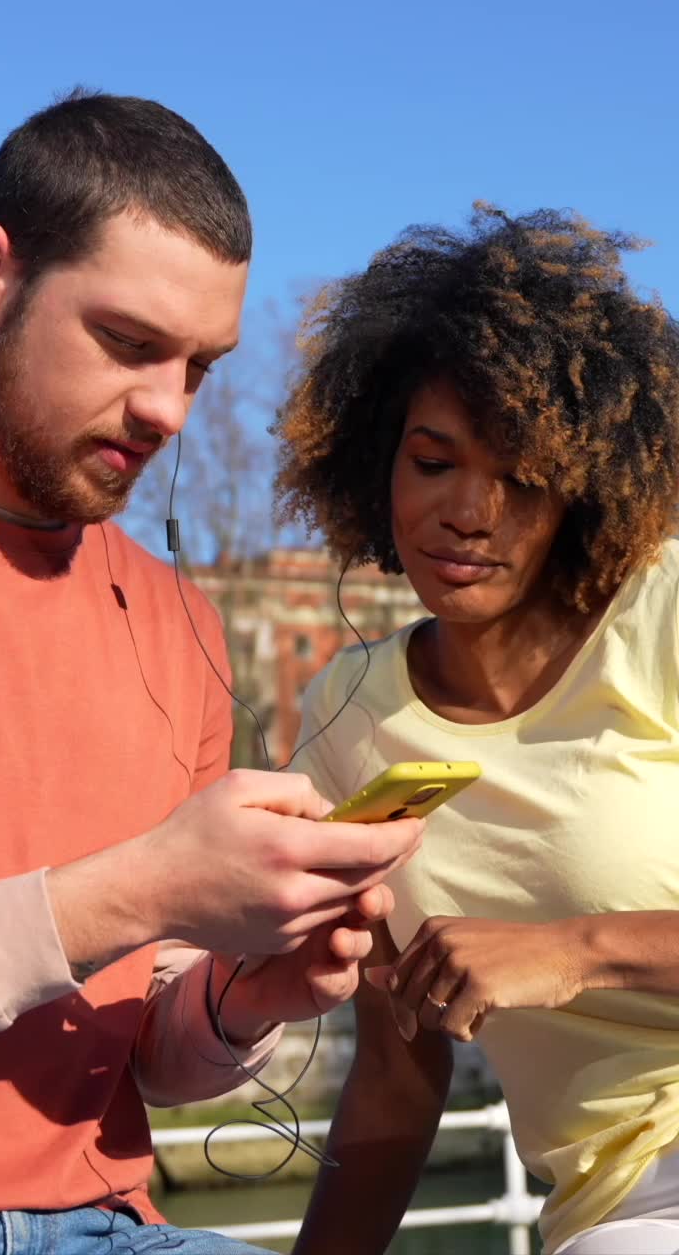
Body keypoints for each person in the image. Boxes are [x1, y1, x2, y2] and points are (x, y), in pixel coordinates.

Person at [0, 90, 425, 1255]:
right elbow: (129, 899)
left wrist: (238, 993)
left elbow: (147, 1056)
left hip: (113, 1223)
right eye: (126, 343)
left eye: (201, 366)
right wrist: (146, 882)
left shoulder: (178, 621)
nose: (169, 408)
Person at [273, 204, 679, 1255]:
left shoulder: (662, 610)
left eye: (522, 475)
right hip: (633, 1205)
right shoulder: (348, 720)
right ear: (378, 464)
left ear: (582, 491)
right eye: (434, 459)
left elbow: (567, 954)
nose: (469, 510)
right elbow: (397, 1073)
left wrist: (580, 951)